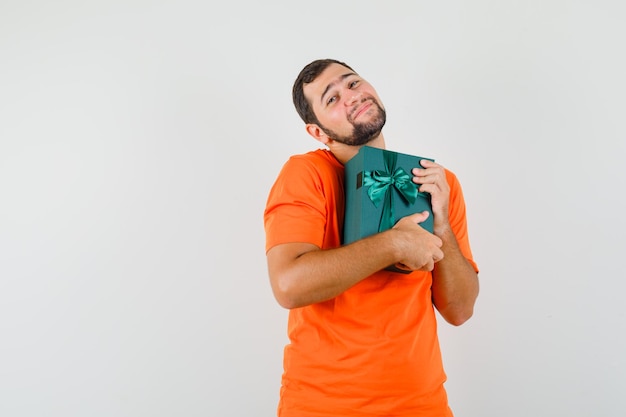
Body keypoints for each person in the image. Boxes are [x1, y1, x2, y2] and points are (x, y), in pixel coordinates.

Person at [263, 58, 479, 417]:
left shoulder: (439, 181)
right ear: (318, 132)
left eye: (352, 83)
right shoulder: (306, 174)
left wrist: (440, 224)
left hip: (423, 405)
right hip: (323, 407)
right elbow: (288, 284)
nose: (349, 96)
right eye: (330, 99)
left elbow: (460, 310)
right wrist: (394, 244)